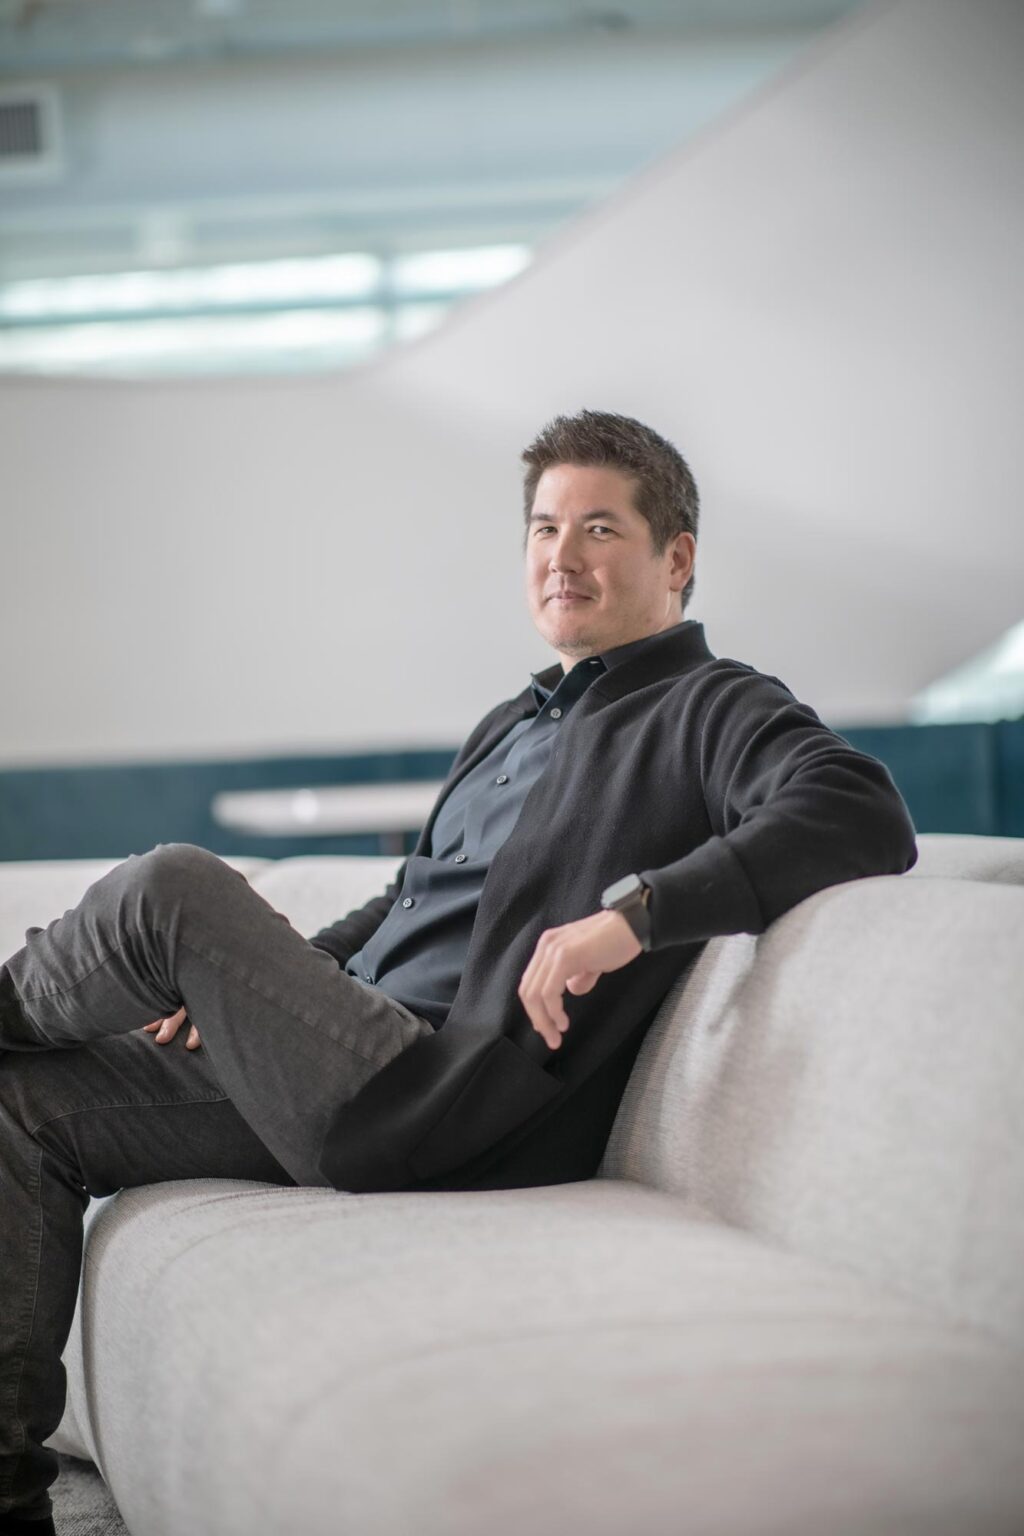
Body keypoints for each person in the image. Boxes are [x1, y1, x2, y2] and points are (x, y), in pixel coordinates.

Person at [0, 408, 917, 1533]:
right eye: (541, 528)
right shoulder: (511, 720)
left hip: (438, 1091)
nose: (559, 556)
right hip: (343, 1055)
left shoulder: (708, 704)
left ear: (675, 559)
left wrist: (634, 915)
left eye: (597, 529)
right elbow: (410, 900)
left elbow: (858, 809)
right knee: (22, 1100)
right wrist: (244, 991)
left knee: (172, 884)